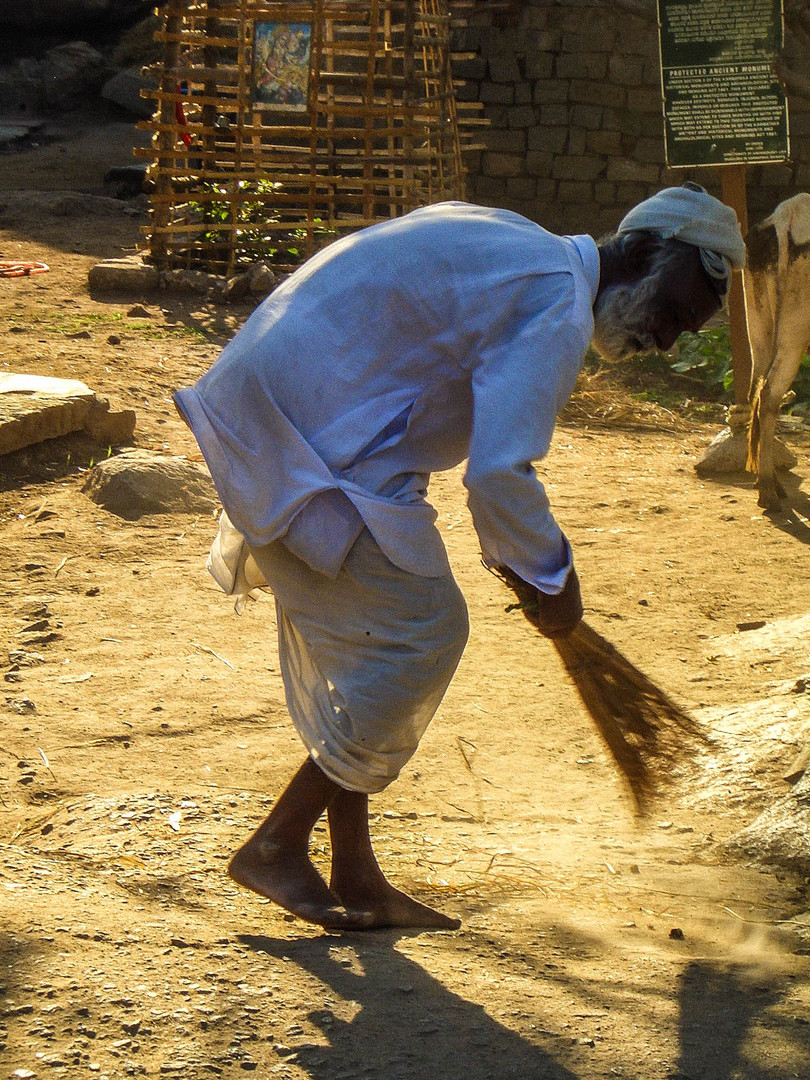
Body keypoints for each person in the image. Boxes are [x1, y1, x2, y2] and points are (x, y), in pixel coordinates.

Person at [173, 182, 745, 931]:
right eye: (673, 312)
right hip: (306, 439)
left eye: (683, 331)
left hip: (300, 421)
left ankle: (355, 872)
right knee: (423, 634)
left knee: (385, 647)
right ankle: (277, 843)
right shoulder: (555, 299)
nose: (666, 339)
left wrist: (524, 559)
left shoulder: (521, 243)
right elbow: (501, 471)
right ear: (639, 249)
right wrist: (556, 577)